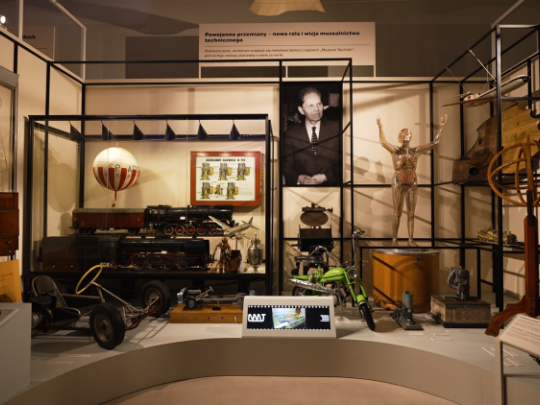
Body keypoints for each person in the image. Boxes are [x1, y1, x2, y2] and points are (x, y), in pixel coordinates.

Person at [377, 114, 448, 246]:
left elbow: (435, 143)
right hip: (398, 180)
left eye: (408, 134)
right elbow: (383, 143)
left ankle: (410, 240)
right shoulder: (395, 150)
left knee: (411, 213)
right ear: (400, 137)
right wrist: (380, 127)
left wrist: (442, 126)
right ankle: (394, 239)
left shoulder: (415, 151)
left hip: (412, 181)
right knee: (397, 212)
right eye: (404, 134)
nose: (406, 136)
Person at [282, 87, 342, 186]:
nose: (317, 109)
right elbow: (286, 167)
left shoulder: (337, 129)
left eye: (319, 104)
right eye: (311, 106)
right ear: (301, 110)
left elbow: (345, 163)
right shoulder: (291, 134)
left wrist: (326, 177)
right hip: (302, 191)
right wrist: (299, 178)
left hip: (333, 190)